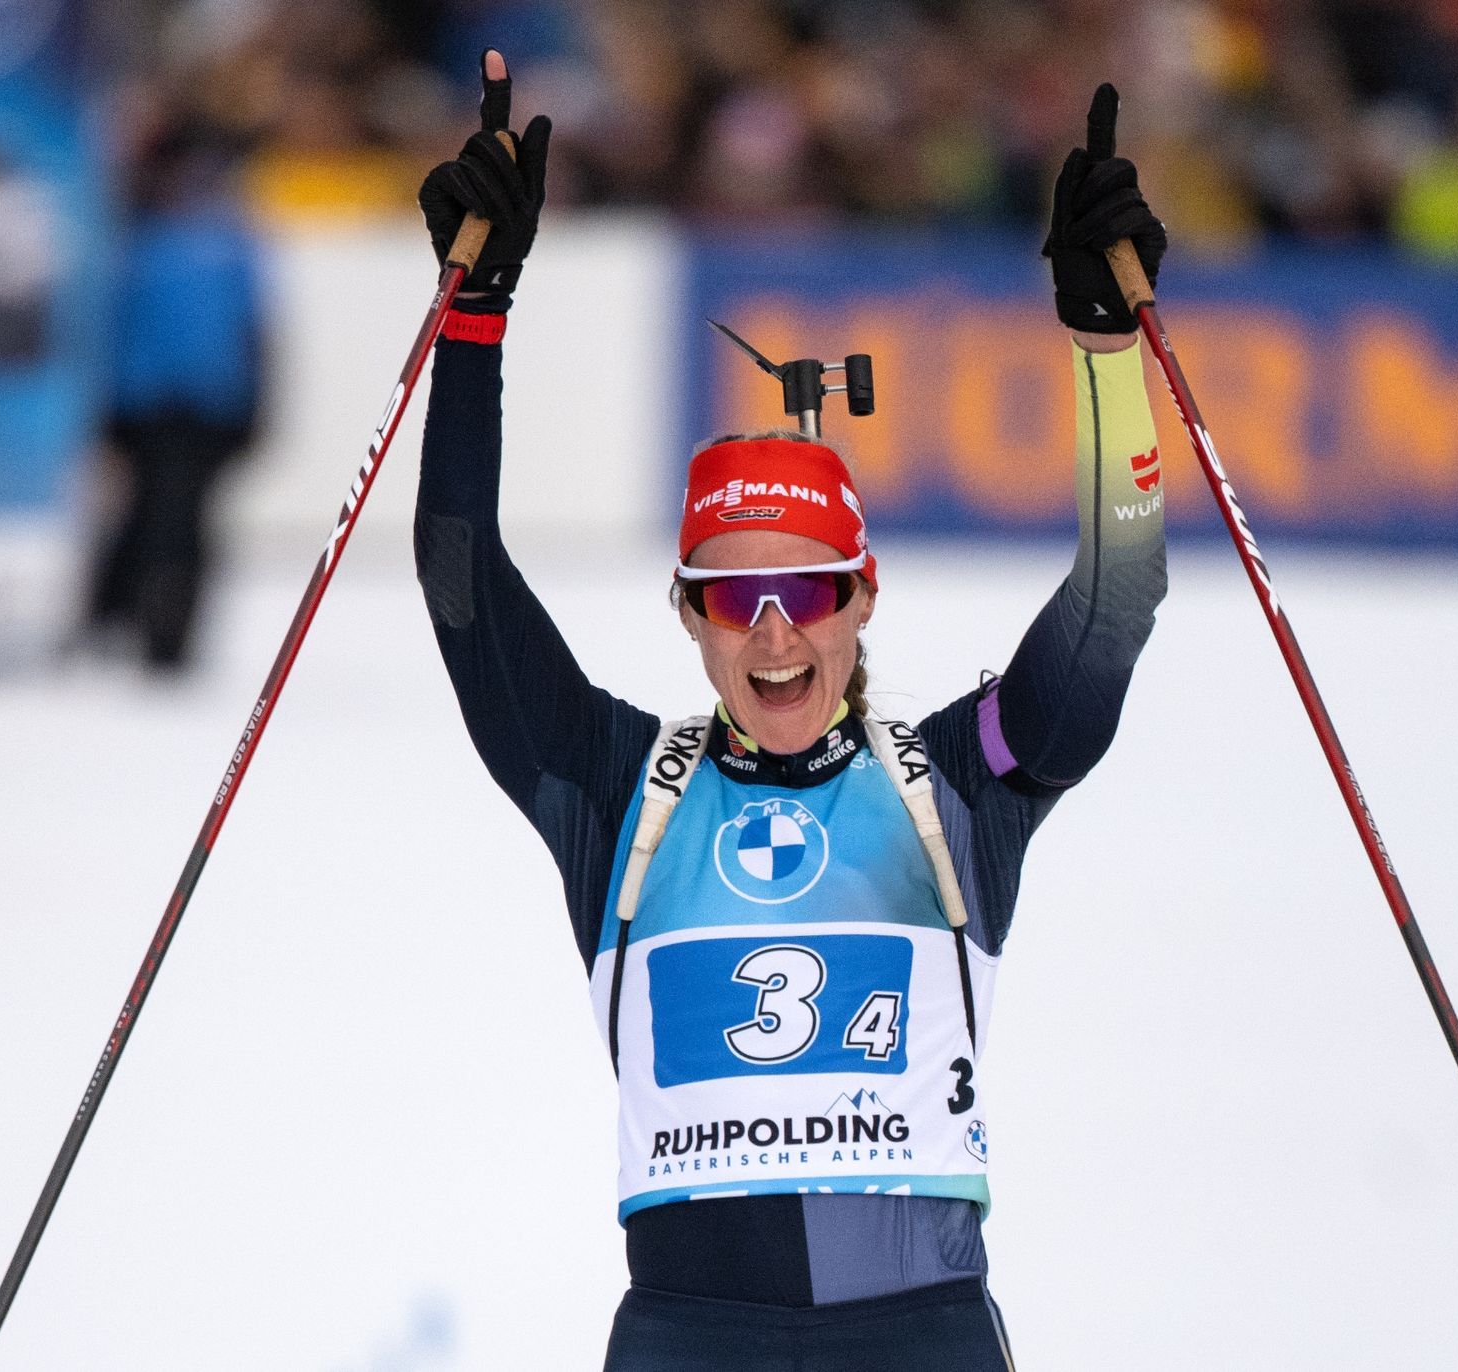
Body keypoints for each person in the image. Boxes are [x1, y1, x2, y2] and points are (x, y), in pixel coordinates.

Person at [415, 52, 1168, 1371]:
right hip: (690, 1338)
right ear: (689, 613)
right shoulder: (612, 785)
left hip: (918, 1334)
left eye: (808, 589)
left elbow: (1115, 603)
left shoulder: (960, 778)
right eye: (733, 595)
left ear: (861, 595)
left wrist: (1111, 357)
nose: (774, 631)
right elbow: (458, 569)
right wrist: (470, 318)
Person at [82, 123, 266, 671]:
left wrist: (256, 405)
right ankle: (123, 619)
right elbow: (108, 330)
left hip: (209, 407)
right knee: (148, 516)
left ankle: (168, 634)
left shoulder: (231, 243)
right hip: (147, 408)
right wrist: (109, 412)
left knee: (186, 522)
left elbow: (255, 331)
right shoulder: (137, 240)